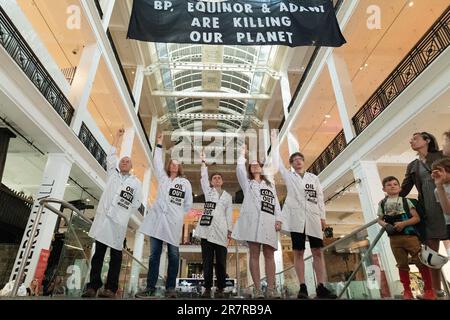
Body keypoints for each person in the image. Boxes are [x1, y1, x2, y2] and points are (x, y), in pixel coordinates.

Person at [271, 131, 336, 299]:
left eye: (300, 159)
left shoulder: (313, 178)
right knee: (298, 251)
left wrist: (322, 217)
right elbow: (277, 163)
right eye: (294, 160)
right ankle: (303, 287)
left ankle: (321, 285)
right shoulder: (289, 176)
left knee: (317, 251)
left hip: (313, 217)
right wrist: (274, 142)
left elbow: (320, 198)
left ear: (303, 162)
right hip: (296, 218)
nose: (297, 162)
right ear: (291, 164)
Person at [82, 128, 143, 298]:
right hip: (104, 220)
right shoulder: (112, 174)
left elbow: (136, 202)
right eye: (122, 160)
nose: (124, 162)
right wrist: (117, 137)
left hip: (119, 224)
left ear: (131, 167)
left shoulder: (136, 183)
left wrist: (123, 213)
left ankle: (111, 288)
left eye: (127, 161)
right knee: (98, 255)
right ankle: (92, 286)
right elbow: (111, 155)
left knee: (116, 257)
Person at [136, 133, 193, 299]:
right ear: (169, 166)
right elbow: (157, 162)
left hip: (173, 223)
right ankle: (150, 288)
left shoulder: (185, 183)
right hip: (157, 221)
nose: (174, 166)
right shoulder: (163, 178)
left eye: (177, 164)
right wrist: (159, 144)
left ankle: (170, 289)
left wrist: (177, 215)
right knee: (154, 255)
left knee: (174, 256)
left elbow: (188, 204)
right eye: (172, 164)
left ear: (180, 167)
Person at [231, 143, 282, 299]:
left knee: (269, 254)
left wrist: (279, 219)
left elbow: (276, 202)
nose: (254, 167)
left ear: (261, 168)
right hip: (252, 222)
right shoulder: (247, 184)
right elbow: (239, 170)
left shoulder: (270, 184)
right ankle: (258, 290)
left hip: (268, 221)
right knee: (254, 253)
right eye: (251, 166)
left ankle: (272, 289)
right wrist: (242, 154)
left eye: (257, 165)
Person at [400, 132, 446, 296]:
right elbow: (404, 190)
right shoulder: (413, 165)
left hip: (446, 203)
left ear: (426, 141)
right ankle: (436, 290)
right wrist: (389, 201)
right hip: (428, 209)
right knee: (431, 252)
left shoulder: (440, 156)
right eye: (411, 138)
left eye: (415, 138)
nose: (411, 140)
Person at [378, 176, 435, 299]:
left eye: (395, 184)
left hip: (410, 237)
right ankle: (407, 290)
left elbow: (416, 218)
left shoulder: (406, 201)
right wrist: (386, 225)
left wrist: (403, 223)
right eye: (389, 185)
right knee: (401, 264)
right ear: (384, 189)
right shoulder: (382, 204)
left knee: (420, 261)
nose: (392, 186)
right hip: (394, 239)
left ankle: (429, 289)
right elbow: (379, 219)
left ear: (399, 188)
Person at [194, 151, 233, 299]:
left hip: (222, 231)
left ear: (222, 181)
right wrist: (203, 162)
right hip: (206, 231)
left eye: (219, 178)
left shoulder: (228, 197)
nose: (216, 180)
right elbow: (203, 177)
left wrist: (229, 230)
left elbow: (229, 215)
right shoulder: (208, 191)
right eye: (214, 178)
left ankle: (221, 288)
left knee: (221, 262)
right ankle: (207, 288)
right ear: (211, 182)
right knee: (207, 262)